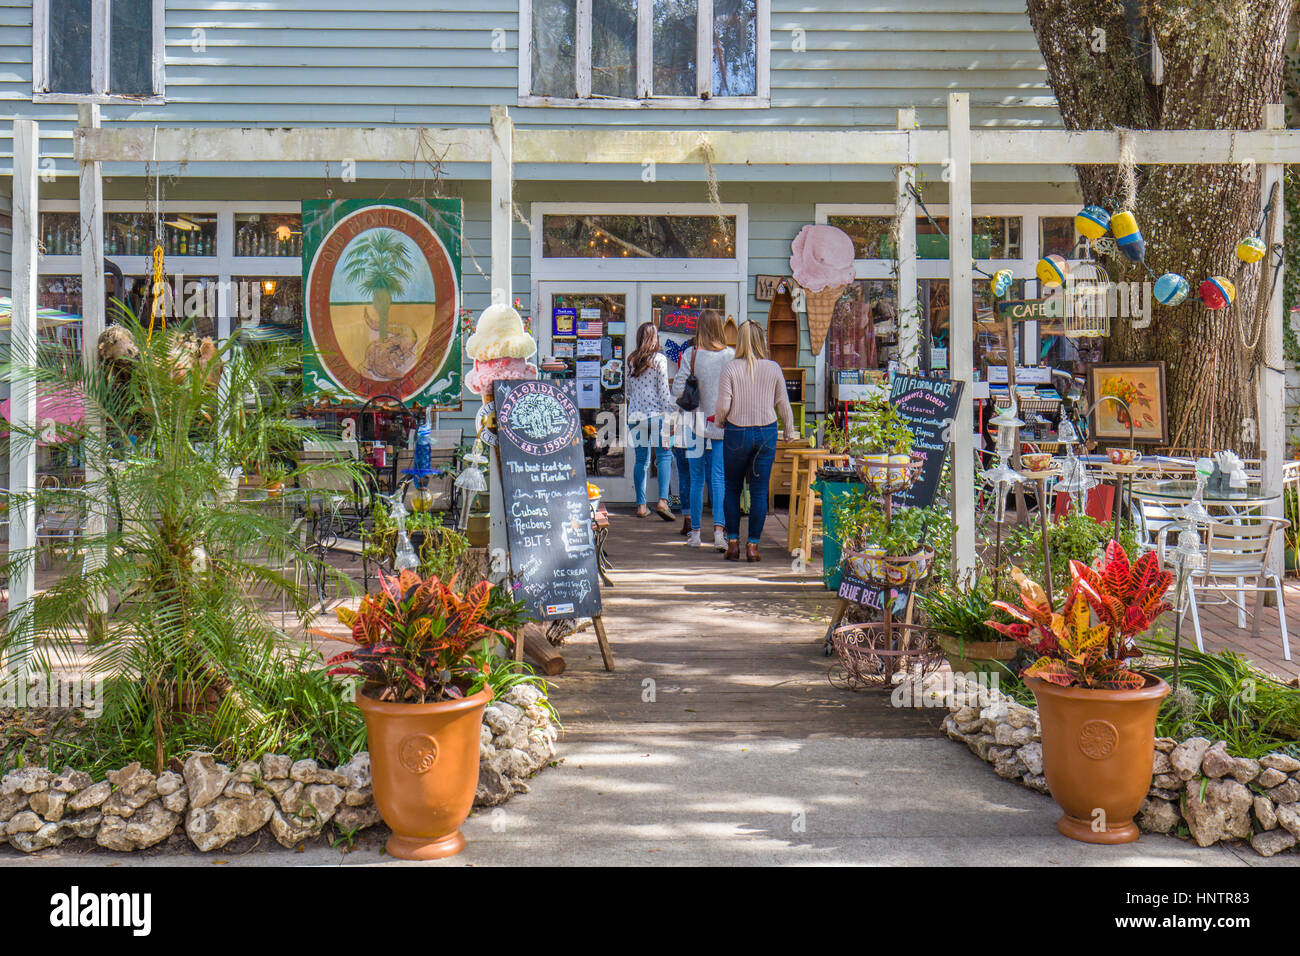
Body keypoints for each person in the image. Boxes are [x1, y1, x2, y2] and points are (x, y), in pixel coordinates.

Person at [714, 321, 798, 562]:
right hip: (766, 433)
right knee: (759, 492)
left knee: (732, 488)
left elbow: (723, 406)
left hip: (736, 432)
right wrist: (789, 431)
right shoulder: (773, 368)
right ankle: (753, 547)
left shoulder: (730, 368)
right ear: (761, 340)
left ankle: (732, 544)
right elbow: (783, 403)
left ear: (740, 340)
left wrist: (721, 421)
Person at [672, 311, 735, 549]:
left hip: (696, 422)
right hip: (720, 421)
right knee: (719, 479)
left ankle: (696, 533)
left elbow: (679, 389)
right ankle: (720, 532)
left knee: (697, 478)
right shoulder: (730, 355)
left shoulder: (692, 354)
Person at [625, 322, 676, 521]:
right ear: (654, 338)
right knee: (664, 457)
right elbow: (664, 392)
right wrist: (670, 416)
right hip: (657, 417)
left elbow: (628, 391)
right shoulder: (660, 360)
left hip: (636, 416)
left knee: (641, 461)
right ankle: (663, 501)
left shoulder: (631, 360)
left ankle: (641, 505)